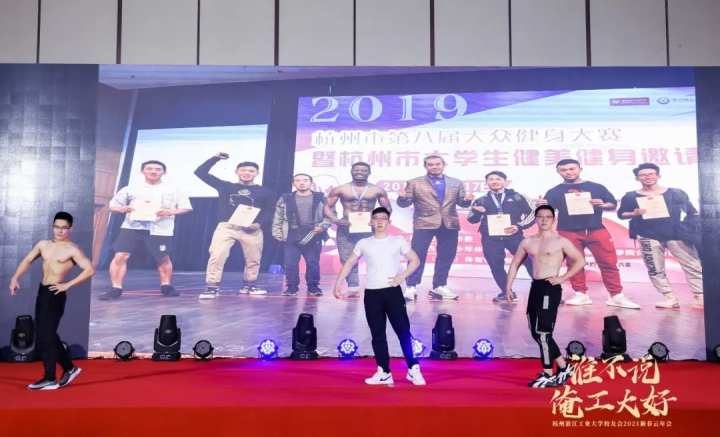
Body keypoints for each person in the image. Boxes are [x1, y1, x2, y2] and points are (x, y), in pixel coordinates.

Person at [333, 207, 426, 386]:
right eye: (376, 218)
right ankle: (384, 371)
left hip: (392, 292)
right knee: (377, 334)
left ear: (389, 222)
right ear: (370, 222)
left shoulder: (398, 241)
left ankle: (413, 368)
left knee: (403, 332)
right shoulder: (363, 243)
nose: (380, 221)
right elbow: (350, 262)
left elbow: (415, 260)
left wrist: (402, 276)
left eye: (384, 218)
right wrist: (338, 283)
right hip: (372, 294)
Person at [9, 212, 95, 390]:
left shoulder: (72, 249)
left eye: (64, 228)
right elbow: (27, 260)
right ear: (53, 226)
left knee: (46, 336)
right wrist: (15, 277)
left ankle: (50, 378)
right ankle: (70, 368)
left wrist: (67, 285)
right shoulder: (43, 244)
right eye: (57, 227)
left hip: (55, 293)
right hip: (43, 292)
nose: (60, 231)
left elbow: (89, 270)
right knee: (46, 334)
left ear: (70, 229)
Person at [538, 159, 640, 309]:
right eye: (564, 170)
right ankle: (580, 294)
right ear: (558, 172)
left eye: (572, 169)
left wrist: (603, 205)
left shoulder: (596, 187)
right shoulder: (554, 191)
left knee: (608, 262)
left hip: (596, 229)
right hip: (568, 231)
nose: (568, 172)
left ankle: (616, 295)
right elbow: (548, 213)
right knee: (574, 263)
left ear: (580, 169)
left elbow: (612, 204)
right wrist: (542, 206)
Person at [506, 205, 585, 388]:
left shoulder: (561, 241)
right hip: (536, 287)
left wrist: (562, 278)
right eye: (540, 216)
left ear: (553, 220)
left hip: (550, 288)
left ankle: (548, 373)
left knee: (543, 333)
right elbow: (515, 263)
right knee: (536, 332)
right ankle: (564, 367)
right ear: (535, 219)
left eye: (548, 217)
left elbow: (580, 260)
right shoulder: (527, 241)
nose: (544, 220)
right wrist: (508, 286)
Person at [103, 160, 192, 300]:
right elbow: (113, 205)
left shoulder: (174, 189)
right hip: (132, 226)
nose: (153, 171)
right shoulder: (131, 188)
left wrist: (170, 212)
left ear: (164, 172)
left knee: (162, 257)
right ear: (143, 171)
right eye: (149, 168)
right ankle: (116, 288)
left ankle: (166, 286)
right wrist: (122, 209)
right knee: (121, 255)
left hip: (160, 228)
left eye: (157, 169)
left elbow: (186, 207)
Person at [617, 163, 703, 308]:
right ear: (637, 178)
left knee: (692, 265)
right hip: (647, 235)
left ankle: (700, 296)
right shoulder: (631, 196)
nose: (647, 177)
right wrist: (634, 213)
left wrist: (687, 229)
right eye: (643, 175)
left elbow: (691, 212)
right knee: (655, 269)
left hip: (676, 235)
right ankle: (669, 298)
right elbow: (621, 214)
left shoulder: (676, 193)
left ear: (658, 175)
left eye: (651, 174)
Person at [196, 153, 276, 298]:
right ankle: (212, 287)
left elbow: (269, 211)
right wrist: (215, 158)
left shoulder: (266, 192)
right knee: (217, 255)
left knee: (253, 259)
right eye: (243, 170)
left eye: (251, 171)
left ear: (257, 173)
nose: (247, 173)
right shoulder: (225, 186)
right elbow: (200, 172)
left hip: (252, 228)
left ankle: (249, 285)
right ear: (237, 172)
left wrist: (259, 224)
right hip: (227, 227)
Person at [397, 155, 473, 300]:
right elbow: (404, 204)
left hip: (449, 223)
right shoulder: (414, 182)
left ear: (443, 165)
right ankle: (411, 286)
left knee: (446, 255)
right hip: (423, 222)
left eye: (437, 164)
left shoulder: (456, 182)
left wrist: (467, 201)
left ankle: (439, 286)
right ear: (425, 166)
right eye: (430, 164)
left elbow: (462, 203)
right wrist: (402, 198)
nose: (434, 167)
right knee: (417, 255)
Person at [324, 162, 392, 297]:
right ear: (351, 171)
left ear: (369, 173)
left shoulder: (377, 190)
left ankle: (379, 286)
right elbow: (326, 207)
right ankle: (353, 287)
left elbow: (388, 208)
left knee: (377, 258)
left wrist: (379, 220)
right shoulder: (341, 189)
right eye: (356, 170)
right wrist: (336, 220)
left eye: (363, 170)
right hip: (347, 227)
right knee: (347, 258)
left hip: (370, 228)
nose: (359, 172)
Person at [467, 171, 535, 302]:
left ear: (505, 181)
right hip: (490, 238)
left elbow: (533, 213)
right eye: (491, 179)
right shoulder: (481, 200)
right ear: (486, 183)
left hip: (514, 235)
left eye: (498, 179)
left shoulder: (518, 196)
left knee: (529, 261)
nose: (494, 181)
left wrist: (519, 226)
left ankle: (545, 290)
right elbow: (471, 219)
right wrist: (476, 212)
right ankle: (507, 292)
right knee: (496, 265)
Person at [272, 173, 331, 296]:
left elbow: (330, 215)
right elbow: (278, 216)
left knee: (312, 262)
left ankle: (313, 287)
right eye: (298, 180)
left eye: (305, 180)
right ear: (293, 183)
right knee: (290, 263)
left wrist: (322, 226)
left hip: (313, 233)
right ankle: (292, 287)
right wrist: (277, 232)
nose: (302, 183)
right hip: (291, 233)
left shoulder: (320, 197)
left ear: (311, 182)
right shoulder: (286, 198)